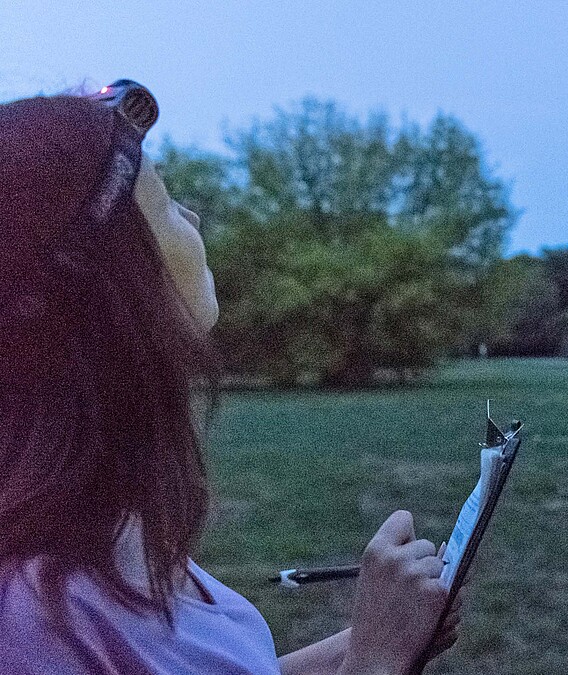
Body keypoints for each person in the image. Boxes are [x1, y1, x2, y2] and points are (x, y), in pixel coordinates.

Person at [0, 93, 458, 673]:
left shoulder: (94, 519)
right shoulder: (33, 618)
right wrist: (376, 660)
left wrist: (370, 636)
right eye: (163, 202)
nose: (191, 216)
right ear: (107, 277)